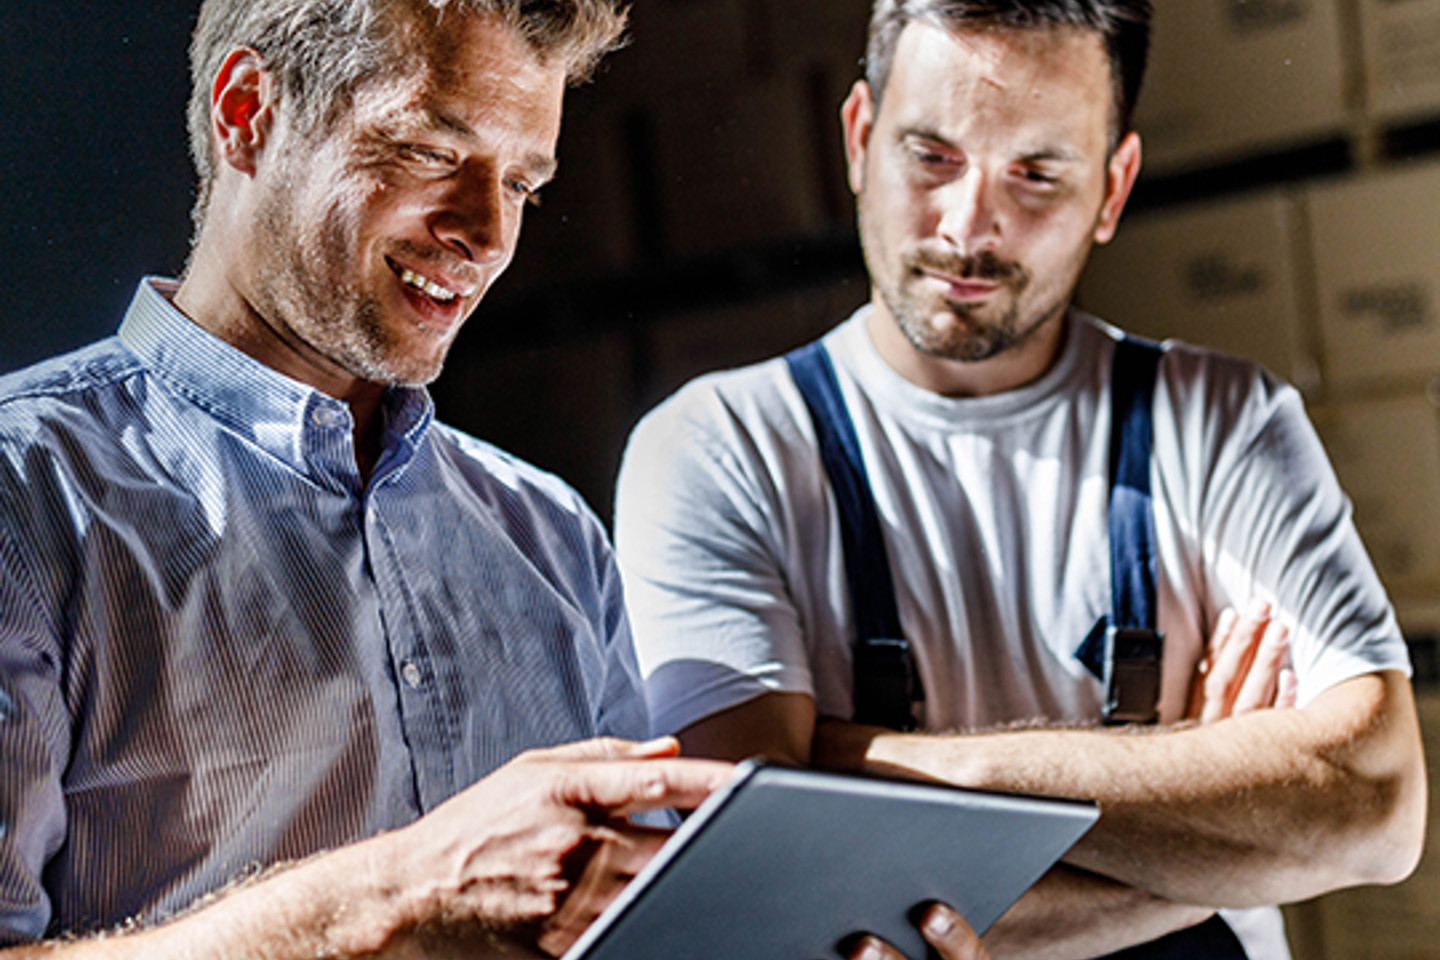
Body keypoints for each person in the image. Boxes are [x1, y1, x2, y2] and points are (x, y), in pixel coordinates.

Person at [0, 2, 993, 959]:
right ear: (248, 111)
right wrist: (402, 898)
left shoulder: (551, 539)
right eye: (433, 151)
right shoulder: (25, 499)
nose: (484, 232)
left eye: (521, 182)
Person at [614, 1, 1428, 958]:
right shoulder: (721, 448)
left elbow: (1375, 810)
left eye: (1037, 174)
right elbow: (755, 888)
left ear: (1114, 190)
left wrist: (874, 767)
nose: (970, 225)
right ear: (860, 136)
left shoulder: (1222, 424)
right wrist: (1220, 816)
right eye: (931, 156)